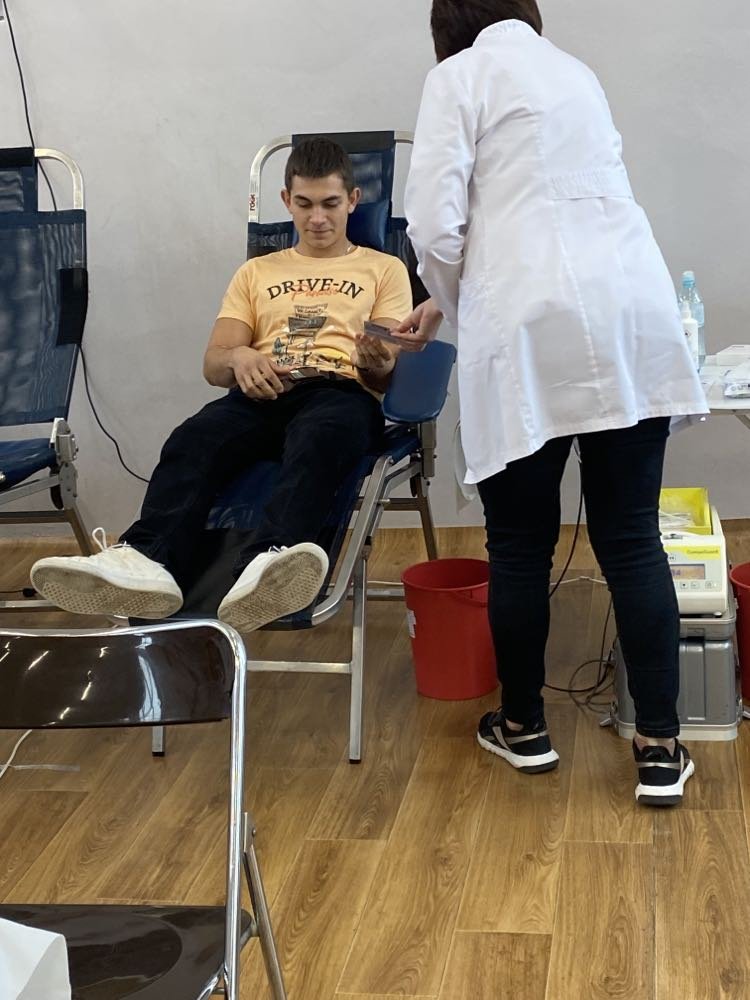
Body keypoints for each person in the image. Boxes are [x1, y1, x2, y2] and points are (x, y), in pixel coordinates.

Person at [393, 0, 709, 805]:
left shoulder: (457, 77)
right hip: (629, 313)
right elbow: (557, 209)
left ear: (448, 27)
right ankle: (660, 747)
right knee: (631, 541)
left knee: (521, 547)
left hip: (528, 331)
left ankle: (524, 727)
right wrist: (458, 304)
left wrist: (460, 302)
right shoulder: (576, 73)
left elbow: (434, 228)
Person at [31, 138, 412, 632]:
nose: (317, 218)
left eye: (330, 204)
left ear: (354, 201)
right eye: (304, 204)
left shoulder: (384, 269)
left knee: (319, 438)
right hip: (260, 392)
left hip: (338, 392)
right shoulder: (256, 272)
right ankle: (146, 561)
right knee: (192, 440)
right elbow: (213, 366)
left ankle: (269, 565)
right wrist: (240, 356)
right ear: (286, 200)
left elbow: (385, 373)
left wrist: (375, 360)